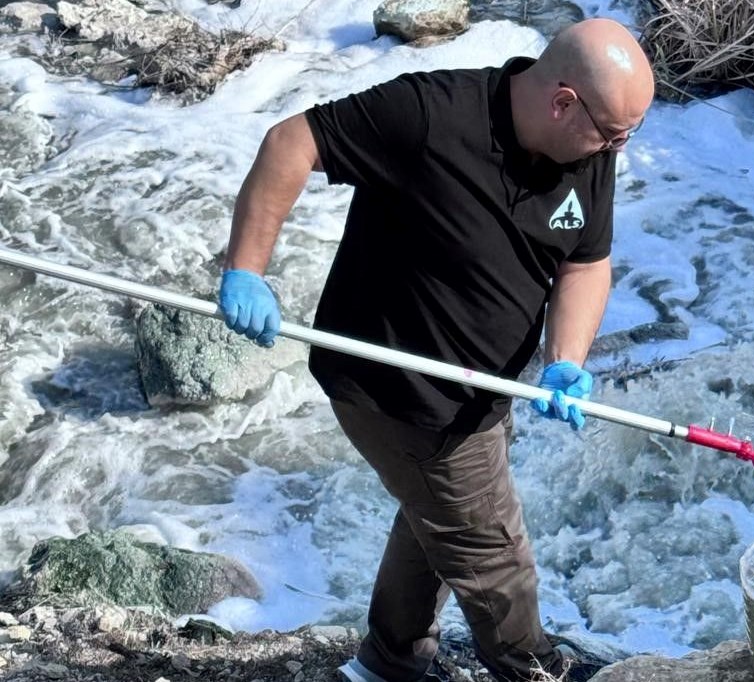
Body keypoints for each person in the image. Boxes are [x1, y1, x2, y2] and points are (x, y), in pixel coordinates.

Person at [217, 18, 655, 682]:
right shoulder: (429, 115)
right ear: (564, 101)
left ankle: (386, 662)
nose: (618, 148)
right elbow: (292, 142)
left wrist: (566, 358)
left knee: (437, 516)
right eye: (613, 132)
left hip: (486, 389)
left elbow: (585, 265)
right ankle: (531, 669)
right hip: (402, 391)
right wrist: (246, 268)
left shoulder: (588, 150)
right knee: (493, 555)